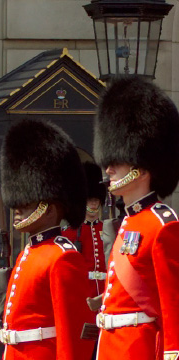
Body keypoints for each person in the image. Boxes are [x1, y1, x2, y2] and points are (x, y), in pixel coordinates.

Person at [93, 76, 179, 360]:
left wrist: (172, 353)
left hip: (138, 349)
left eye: (117, 161)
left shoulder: (161, 225)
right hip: (110, 347)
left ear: (141, 167)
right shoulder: (127, 223)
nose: (108, 168)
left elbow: (172, 304)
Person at [0, 118, 95, 360]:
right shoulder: (28, 253)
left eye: (25, 202)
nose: (17, 209)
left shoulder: (62, 258)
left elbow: (73, 334)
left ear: (49, 208)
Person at [62, 161, 108, 298]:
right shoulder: (68, 233)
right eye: (89, 199)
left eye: (96, 200)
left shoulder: (107, 229)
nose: (94, 203)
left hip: (106, 290)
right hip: (83, 291)